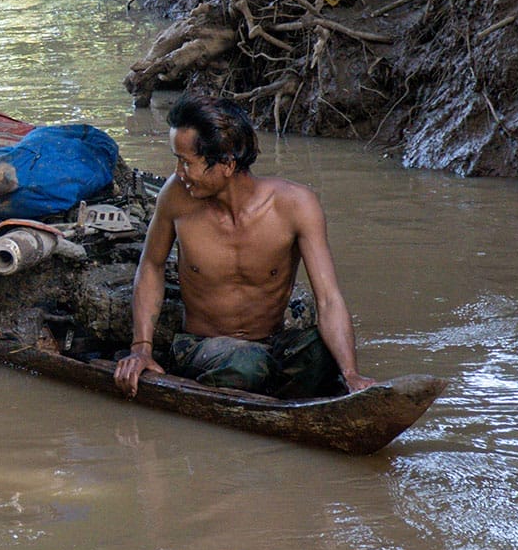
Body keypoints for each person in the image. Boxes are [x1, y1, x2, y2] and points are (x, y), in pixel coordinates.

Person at [114, 94, 377, 400]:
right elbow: (151, 266)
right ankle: (275, 389)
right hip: (203, 346)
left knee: (320, 353)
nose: (178, 172)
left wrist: (350, 373)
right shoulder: (175, 196)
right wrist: (141, 349)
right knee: (246, 364)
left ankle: (287, 392)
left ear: (226, 163)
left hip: (272, 343)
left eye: (186, 162)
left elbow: (329, 299)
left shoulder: (296, 204)